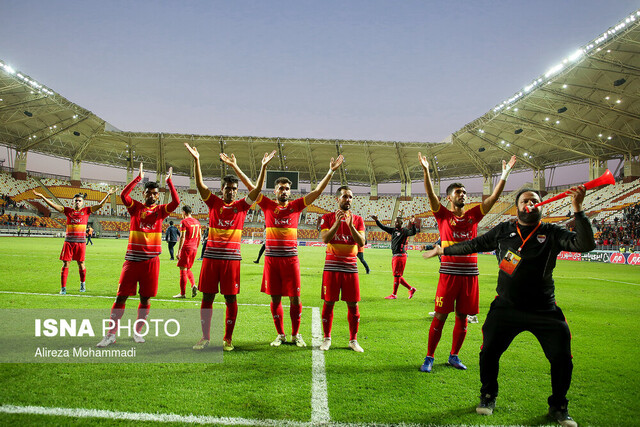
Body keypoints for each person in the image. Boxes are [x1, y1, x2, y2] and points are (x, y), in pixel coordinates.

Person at [422, 187, 594, 427]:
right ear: (518, 206)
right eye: (525, 201)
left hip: (544, 309)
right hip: (506, 307)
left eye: (534, 200)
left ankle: (559, 406)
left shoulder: (552, 232)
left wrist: (578, 209)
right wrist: (444, 250)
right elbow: (474, 244)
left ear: (541, 206)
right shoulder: (504, 230)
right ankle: (488, 395)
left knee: (562, 357)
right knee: (489, 352)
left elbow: (585, 244)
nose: (529, 204)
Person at [229, 154, 344, 347]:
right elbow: (250, 186)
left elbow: (317, 190)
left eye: (287, 189)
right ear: (275, 190)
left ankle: (295, 334)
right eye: (281, 188)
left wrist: (331, 171)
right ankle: (280, 334)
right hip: (272, 260)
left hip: (291, 260)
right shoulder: (266, 204)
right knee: (275, 299)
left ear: (290, 192)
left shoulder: (296, 206)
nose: (284, 191)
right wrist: (235, 166)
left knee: (295, 298)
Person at [418, 152, 516, 373]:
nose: (462, 194)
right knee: (441, 317)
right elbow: (430, 194)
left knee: (463, 318)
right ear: (449, 198)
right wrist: (426, 170)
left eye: (463, 192)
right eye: (458, 192)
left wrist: (505, 176)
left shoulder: (473, 215)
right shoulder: (442, 215)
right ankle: (429, 357)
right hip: (449, 275)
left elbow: (492, 200)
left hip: (470, 275)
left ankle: (454, 356)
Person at [185, 142, 274, 352]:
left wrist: (263, 167)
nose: (232, 192)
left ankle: (227, 339)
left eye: (234, 189)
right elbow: (200, 186)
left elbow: (257, 190)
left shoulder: (242, 206)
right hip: (211, 259)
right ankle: (205, 337)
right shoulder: (214, 203)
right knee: (207, 297)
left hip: (232, 260)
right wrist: (197, 161)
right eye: (228, 189)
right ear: (222, 190)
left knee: (230, 298)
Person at [96, 163, 179, 347]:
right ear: (144, 194)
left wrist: (170, 182)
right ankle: (110, 334)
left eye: (155, 193)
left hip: (151, 261)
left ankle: (138, 331)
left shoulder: (160, 211)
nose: (151, 195)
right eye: (148, 192)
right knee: (121, 297)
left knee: (145, 298)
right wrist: (138, 178)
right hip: (132, 260)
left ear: (158, 195)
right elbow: (123, 195)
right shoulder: (135, 208)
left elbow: (176, 203)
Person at [33, 188, 114, 295]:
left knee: (81, 264)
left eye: (79, 201)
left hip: (80, 242)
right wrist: (43, 197)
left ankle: (82, 284)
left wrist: (108, 194)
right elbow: (54, 206)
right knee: (66, 263)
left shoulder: (86, 211)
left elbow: (100, 205)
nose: (77, 202)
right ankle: (63, 288)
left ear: (82, 202)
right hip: (69, 242)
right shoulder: (68, 211)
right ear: (73, 202)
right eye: (76, 200)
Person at [319, 186, 366, 352]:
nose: (348, 200)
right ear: (337, 199)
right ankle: (326, 338)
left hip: (350, 267)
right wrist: (338, 223)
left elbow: (361, 242)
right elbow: (325, 238)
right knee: (329, 302)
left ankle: (353, 340)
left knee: (353, 305)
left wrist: (351, 226)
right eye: (345, 197)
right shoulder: (327, 217)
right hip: (331, 266)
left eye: (351, 197)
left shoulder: (358, 219)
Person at [371, 215, 418, 299]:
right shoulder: (393, 230)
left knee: (397, 275)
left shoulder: (404, 231)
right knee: (397, 275)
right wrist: (377, 220)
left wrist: (413, 223)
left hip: (400, 256)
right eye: (395, 221)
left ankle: (394, 294)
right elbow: (383, 227)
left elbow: (413, 232)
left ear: (401, 223)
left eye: (397, 222)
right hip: (395, 256)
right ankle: (411, 289)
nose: (396, 223)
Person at [173, 205, 201, 299]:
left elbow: (182, 237)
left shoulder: (184, 222)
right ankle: (193, 285)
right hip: (194, 248)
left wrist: (178, 251)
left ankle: (182, 293)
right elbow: (199, 236)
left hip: (186, 248)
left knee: (182, 270)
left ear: (184, 212)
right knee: (187, 268)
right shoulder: (197, 222)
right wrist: (195, 247)